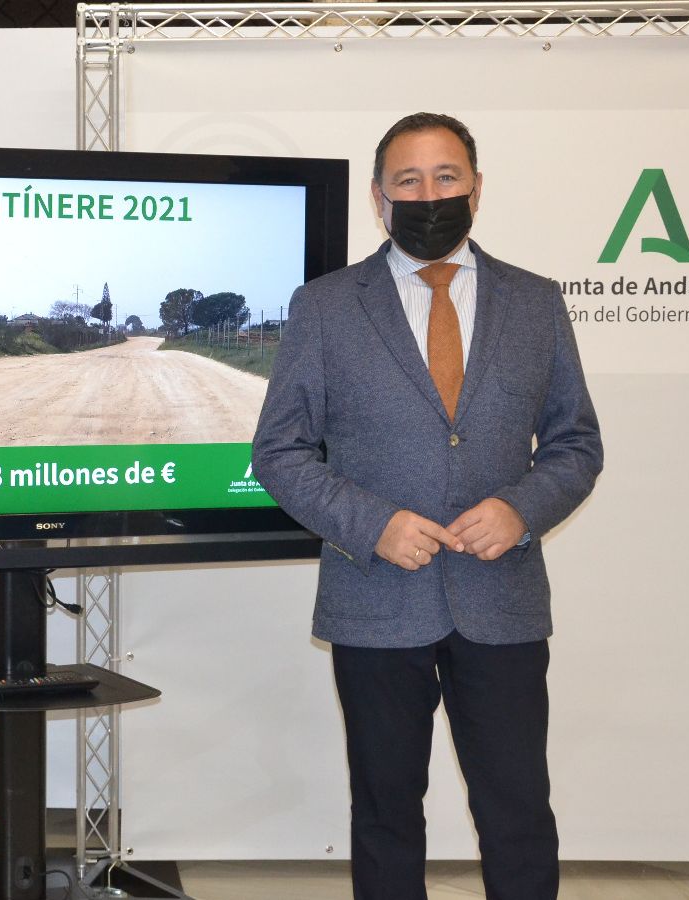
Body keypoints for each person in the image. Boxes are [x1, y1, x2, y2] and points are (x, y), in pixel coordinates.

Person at [251, 112, 602, 900]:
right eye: (407, 181)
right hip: (375, 602)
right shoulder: (325, 306)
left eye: (446, 177)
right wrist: (371, 525)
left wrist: (520, 510)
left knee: (517, 813)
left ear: (477, 189)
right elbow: (279, 451)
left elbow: (576, 444)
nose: (427, 195)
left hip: (502, 603)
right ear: (379, 199)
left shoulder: (535, 302)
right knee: (385, 816)